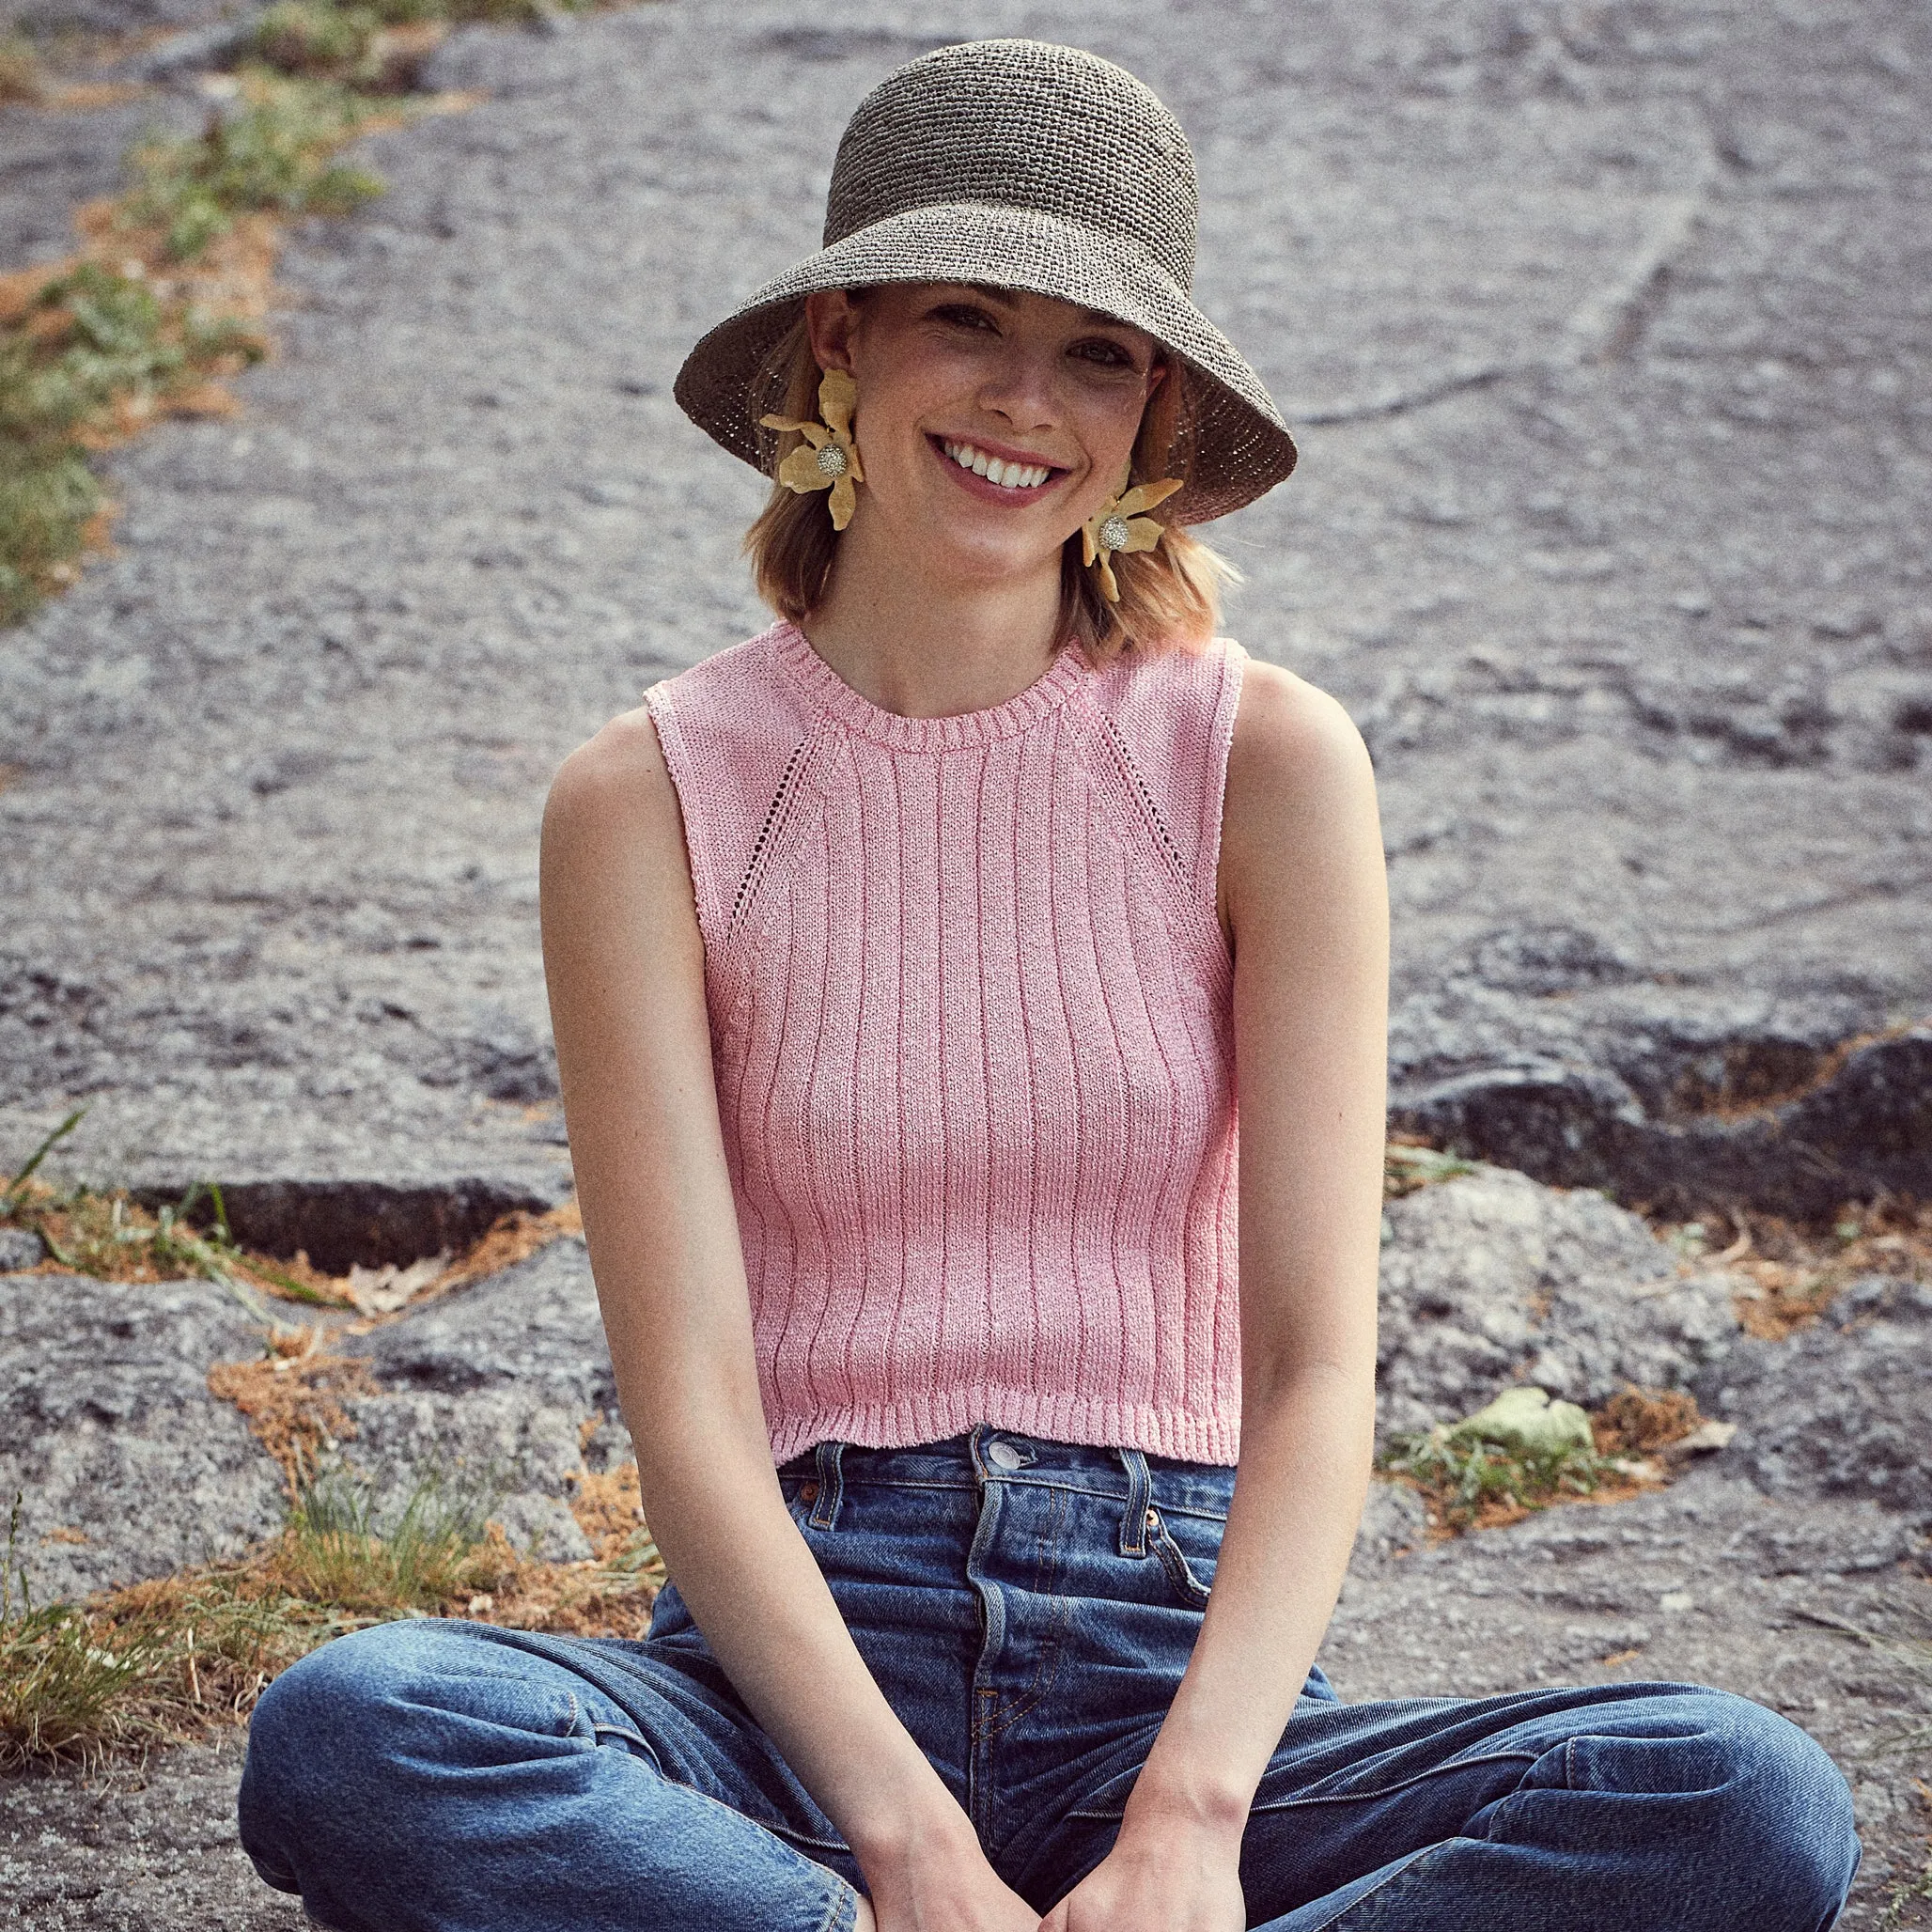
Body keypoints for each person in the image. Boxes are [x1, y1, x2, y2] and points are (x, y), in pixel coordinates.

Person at [237, 39, 1861, 1932]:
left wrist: (1185, 1822)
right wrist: (908, 1849)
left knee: (1739, 1798)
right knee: (361, 1730)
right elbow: (685, 1400)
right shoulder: (650, 791)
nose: (1029, 400)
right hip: (786, 1693)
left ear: (1151, 402)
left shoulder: (1260, 760)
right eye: (964, 319)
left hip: (1164, 1663)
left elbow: (1316, 1365)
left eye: (1096, 349)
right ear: (839, 342)